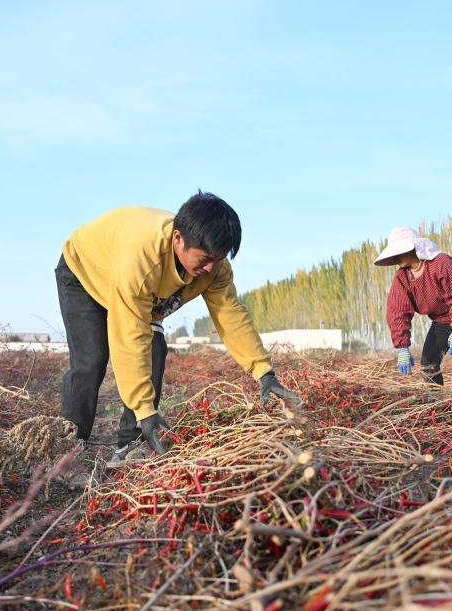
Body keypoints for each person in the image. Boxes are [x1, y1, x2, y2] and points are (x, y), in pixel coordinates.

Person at [56, 192, 302, 467]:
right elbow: (129, 337)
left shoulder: (215, 269)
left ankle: (132, 445)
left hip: (135, 286)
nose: (210, 268)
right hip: (85, 273)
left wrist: (264, 372)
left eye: (218, 259)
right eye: (205, 258)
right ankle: (69, 451)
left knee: (154, 351)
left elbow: (231, 315)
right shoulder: (142, 260)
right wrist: (145, 409)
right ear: (177, 240)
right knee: (91, 361)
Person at [375, 226, 452, 393]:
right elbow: (397, 311)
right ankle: (435, 401)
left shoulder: (440, 263)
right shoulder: (402, 277)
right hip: (442, 318)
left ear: (412, 249)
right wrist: (402, 347)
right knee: (429, 361)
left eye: (399, 252)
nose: (396, 258)